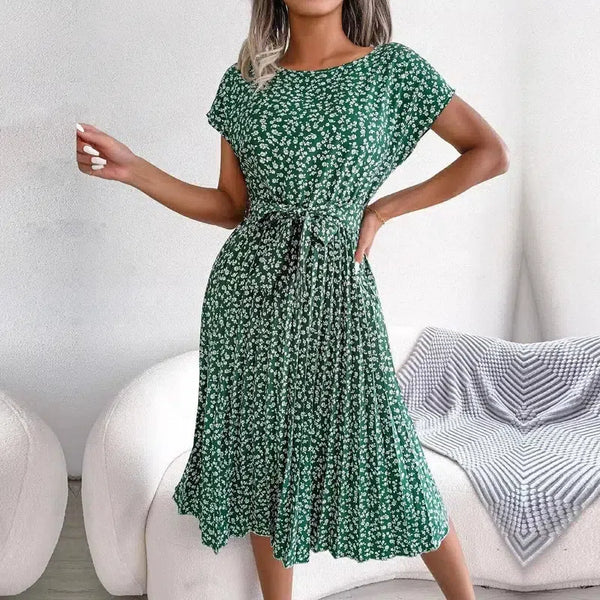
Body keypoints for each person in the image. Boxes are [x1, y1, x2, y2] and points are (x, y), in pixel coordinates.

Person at [76, 1, 509, 598]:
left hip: (339, 290)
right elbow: (232, 206)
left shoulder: (395, 71)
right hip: (248, 296)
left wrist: (382, 210)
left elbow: (488, 152)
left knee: (390, 452)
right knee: (266, 460)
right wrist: (134, 170)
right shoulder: (245, 83)